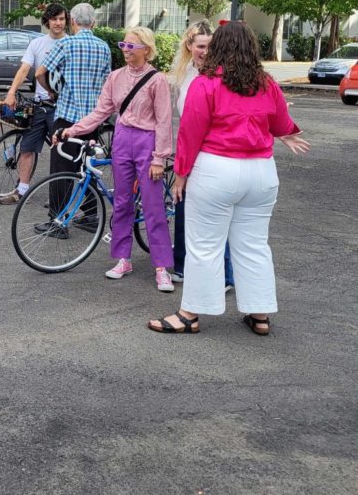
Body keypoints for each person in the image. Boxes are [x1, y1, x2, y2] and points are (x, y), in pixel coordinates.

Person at [148, 21, 310, 335]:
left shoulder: (206, 84)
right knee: (253, 245)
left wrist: (181, 174)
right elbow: (279, 121)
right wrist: (286, 134)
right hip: (261, 173)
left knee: (205, 245)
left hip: (216, 169)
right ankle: (259, 314)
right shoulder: (265, 82)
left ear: (218, 47)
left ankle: (189, 314)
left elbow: (191, 134)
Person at [57, 26, 175, 291]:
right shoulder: (115, 77)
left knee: (154, 206)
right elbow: (100, 112)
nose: (126, 51)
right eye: (123, 45)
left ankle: (161, 267)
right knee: (122, 203)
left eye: (131, 47)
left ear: (147, 49)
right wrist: (71, 130)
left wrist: (160, 158)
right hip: (122, 139)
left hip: (147, 141)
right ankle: (123, 258)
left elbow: (164, 121)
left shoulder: (157, 80)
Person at [169, 21, 233, 290]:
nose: (205, 52)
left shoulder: (223, 74)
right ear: (189, 46)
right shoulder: (183, 75)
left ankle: (227, 274)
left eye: (210, 46)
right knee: (183, 207)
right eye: (200, 46)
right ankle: (182, 264)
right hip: (188, 146)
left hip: (213, 151)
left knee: (220, 214)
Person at [0, 3, 70, 204]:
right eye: (54, 19)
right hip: (39, 106)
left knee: (60, 153)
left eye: (62, 19)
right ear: (47, 21)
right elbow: (23, 70)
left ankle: (59, 196)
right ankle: (21, 190)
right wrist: (11, 92)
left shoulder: (71, 44)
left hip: (61, 107)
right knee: (27, 148)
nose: (58, 23)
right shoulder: (37, 44)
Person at [35, 3, 112, 179]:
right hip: (92, 120)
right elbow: (107, 83)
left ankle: (60, 206)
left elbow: (40, 73)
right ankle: (91, 206)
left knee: (61, 172)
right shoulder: (104, 47)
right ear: (93, 23)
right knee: (87, 170)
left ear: (72, 21)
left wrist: (51, 91)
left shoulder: (65, 43)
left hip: (66, 119)